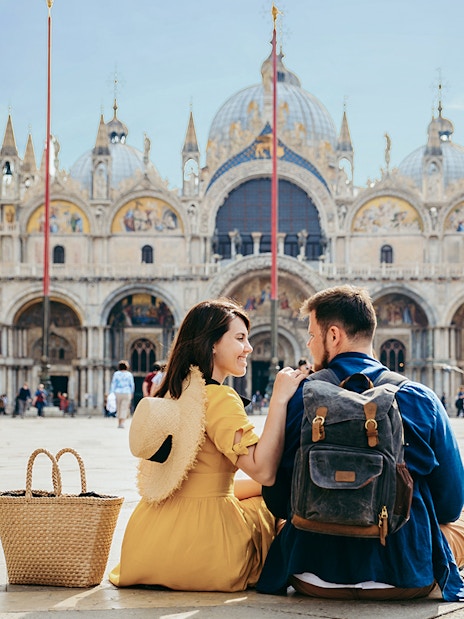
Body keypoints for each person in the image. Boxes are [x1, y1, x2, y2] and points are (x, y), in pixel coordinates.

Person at [257, 285, 464, 602]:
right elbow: (450, 504)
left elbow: (277, 499)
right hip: (406, 579)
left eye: (312, 335)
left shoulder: (297, 397)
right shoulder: (422, 399)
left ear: (334, 335)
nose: (309, 344)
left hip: (310, 575)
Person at [109, 298, 304, 592]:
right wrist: (279, 399)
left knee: (256, 492)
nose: (249, 348)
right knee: (268, 505)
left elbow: (202, 479)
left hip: (145, 547)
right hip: (207, 553)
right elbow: (263, 472)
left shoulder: (173, 393)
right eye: (240, 338)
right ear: (212, 344)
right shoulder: (219, 398)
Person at [110, 360, 135, 429]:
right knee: (124, 408)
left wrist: (111, 393)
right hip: (126, 392)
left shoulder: (116, 374)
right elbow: (132, 385)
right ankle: (122, 423)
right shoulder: (129, 374)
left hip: (117, 392)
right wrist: (132, 392)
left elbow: (113, 384)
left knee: (118, 407)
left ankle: (119, 422)